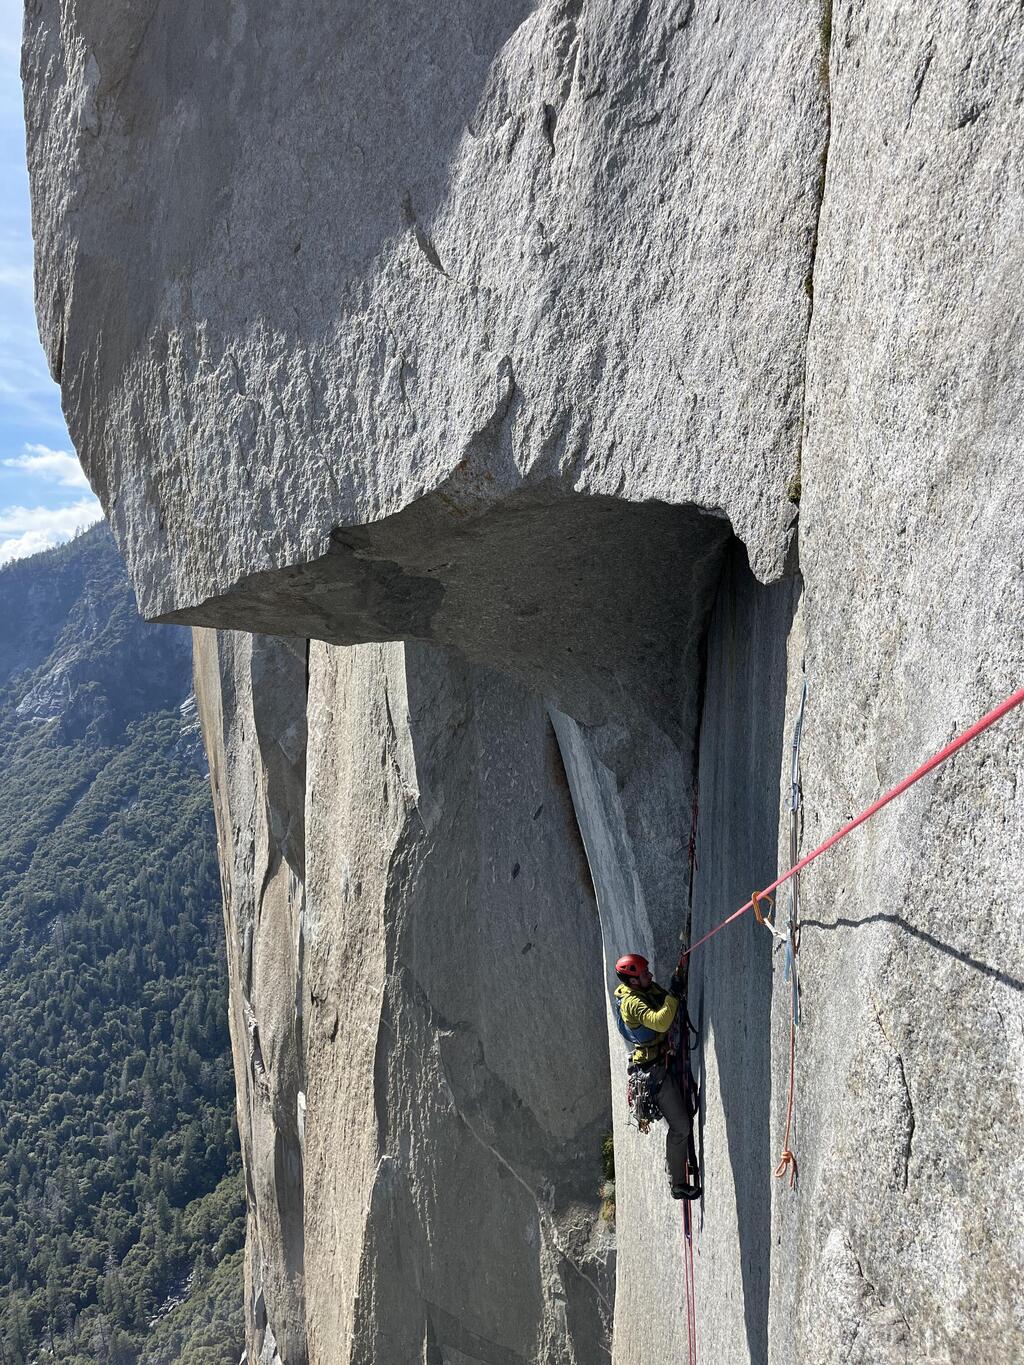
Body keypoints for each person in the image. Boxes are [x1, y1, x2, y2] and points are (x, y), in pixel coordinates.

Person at [613, 952, 700, 1200]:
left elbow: (665, 999)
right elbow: (660, 1022)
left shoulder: (645, 988)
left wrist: (676, 979)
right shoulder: (632, 1003)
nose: (650, 975)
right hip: (653, 1073)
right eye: (644, 973)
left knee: (683, 1117)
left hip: (660, 1060)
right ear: (632, 981)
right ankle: (678, 1184)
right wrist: (673, 994)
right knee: (681, 1126)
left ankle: (682, 1163)